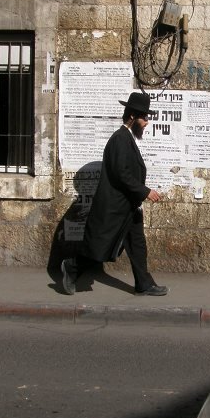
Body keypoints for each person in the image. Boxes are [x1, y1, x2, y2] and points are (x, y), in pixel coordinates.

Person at [61, 91, 168, 296]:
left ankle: (144, 284)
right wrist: (145, 192)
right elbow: (121, 173)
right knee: (99, 246)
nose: (147, 122)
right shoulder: (120, 139)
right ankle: (71, 267)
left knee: (137, 245)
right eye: (144, 117)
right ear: (131, 117)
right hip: (115, 207)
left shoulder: (127, 138)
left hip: (129, 206)